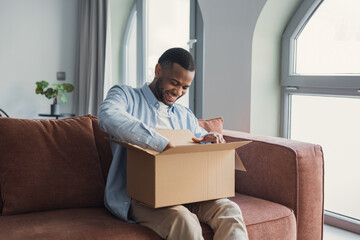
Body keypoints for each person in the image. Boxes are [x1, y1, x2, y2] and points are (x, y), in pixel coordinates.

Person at [98, 48, 248, 240]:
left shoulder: (184, 115)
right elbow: (107, 116)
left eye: (185, 87)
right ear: (158, 70)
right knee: (184, 220)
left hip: (187, 191)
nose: (178, 92)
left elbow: (200, 140)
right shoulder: (126, 95)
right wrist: (158, 142)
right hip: (140, 197)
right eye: (174, 83)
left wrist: (211, 140)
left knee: (230, 211)